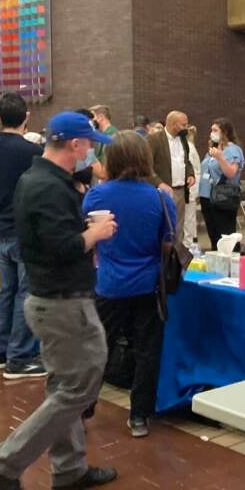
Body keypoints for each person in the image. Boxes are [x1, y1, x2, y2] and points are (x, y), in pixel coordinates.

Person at [0, 111, 118, 490]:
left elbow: (46, 235)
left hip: (49, 300)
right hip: (63, 303)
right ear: (74, 145)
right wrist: (96, 232)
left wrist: (82, 223)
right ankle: (4, 464)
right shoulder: (48, 187)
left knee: (64, 386)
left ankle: (69, 469)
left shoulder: (38, 180)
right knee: (80, 387)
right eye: (87, 143)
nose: (90, 149)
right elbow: (63, 248)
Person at [83, 131, 176, 438]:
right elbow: (168, 238)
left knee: (99, 347)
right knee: (147, 350)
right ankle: (139, 417)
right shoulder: (160, 197)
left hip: (109, 285)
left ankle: (84, 405)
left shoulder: (96, 196)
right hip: (148, 286)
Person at [0, 93, 45, 379]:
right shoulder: (31, 152)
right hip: (24, 230)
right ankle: (19, 357)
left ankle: (0, 351)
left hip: (1, 229)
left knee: (6, 292)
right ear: (27, 116)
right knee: (25, 292)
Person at [197, 118, 245, 250]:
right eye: (211, 130)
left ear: (225, 132)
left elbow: (231, 173)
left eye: (215, 130)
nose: (211, 133)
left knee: (226, 235)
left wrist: (220, 157)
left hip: (223, 197)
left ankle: (232, 264)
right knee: (213, 235)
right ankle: (217, 263)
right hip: (207, 196)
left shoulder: (233, 150)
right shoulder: (213, 149)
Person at [149, 111, 195, 229]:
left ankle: (177, 248)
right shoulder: (154, 139)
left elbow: (186, 161)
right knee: (163, 226)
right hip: (162, 191)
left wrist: (190, 174)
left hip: (180, 191)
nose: (186, 128)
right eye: (183, 125)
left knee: (178, 227)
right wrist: (159, 183)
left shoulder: (183, 139)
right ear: (173, 124)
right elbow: (146, 166)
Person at [89, 105, 120, 181]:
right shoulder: (104, 134)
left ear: (100, 117)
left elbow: (104, 171)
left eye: (92, 118)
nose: (90, 122)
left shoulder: (112, 135)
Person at [183, 126, 201, 248]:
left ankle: (190, 246)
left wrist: (195, 190)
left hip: (189, 188)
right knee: (187, 219)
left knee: (189, 220)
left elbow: (195, 170)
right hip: (185, 189)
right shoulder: (188, 146)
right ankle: (189, 244)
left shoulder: (188, 147)